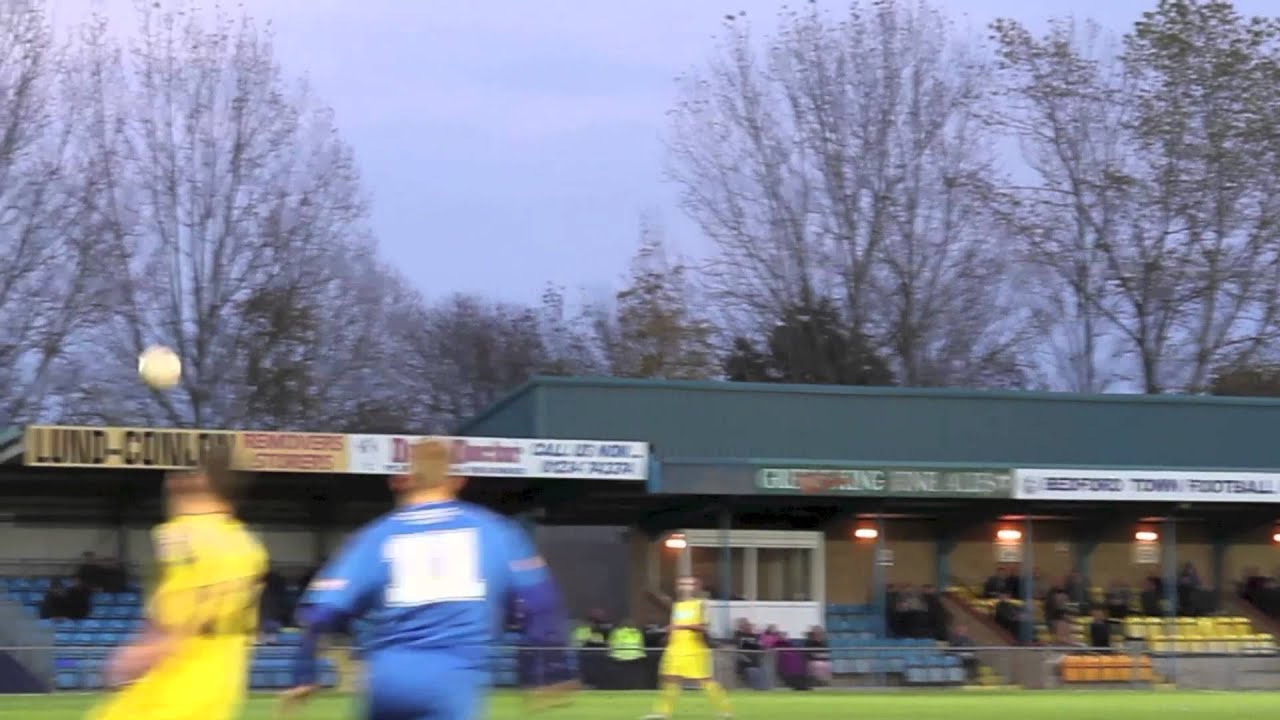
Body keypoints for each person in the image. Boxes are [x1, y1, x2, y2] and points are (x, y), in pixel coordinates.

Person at [279, 438, 576, 720]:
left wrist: (303, 671)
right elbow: (539, 602)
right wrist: (549, 669)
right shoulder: (495, 531)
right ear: (457, 480)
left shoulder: (375, 536)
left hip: (386, 680)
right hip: (452, 679)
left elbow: (322, 611)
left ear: (403, 480)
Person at [88, 443, 267, 720]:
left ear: (202, 480)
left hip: (169, 694)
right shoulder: (250, 548)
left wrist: (134, 658)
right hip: (217, 694)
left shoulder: (182, 538)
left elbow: (173, 626)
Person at [643, 576, 733, 720]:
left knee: (705, 680)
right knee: (670, 679)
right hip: (675, 648)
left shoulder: (700, 604)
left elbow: (702, 627)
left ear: (696, 587)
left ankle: (725, 709)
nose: (684, 587)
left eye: (688, 584)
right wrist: (668, 634)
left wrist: (681, 626)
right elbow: (674, 625)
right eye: (681, 584)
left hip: (694, 649)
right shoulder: (678, 606)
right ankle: (662, 712)